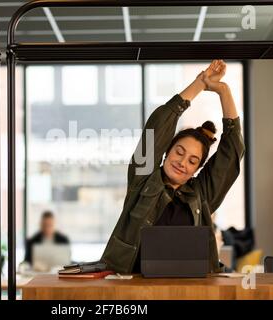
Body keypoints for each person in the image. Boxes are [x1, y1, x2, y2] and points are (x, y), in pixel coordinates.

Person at [101, 60, 245, 273]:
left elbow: (232, 151)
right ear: (167, 151)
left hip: (188, 290)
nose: (182, 162)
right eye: (179, 152)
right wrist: (200, 84)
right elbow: (158, 125)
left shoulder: (202, 194)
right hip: (134, 287)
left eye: (192, 161)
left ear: (197, 169)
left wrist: (223, 91)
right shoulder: (143, 179)